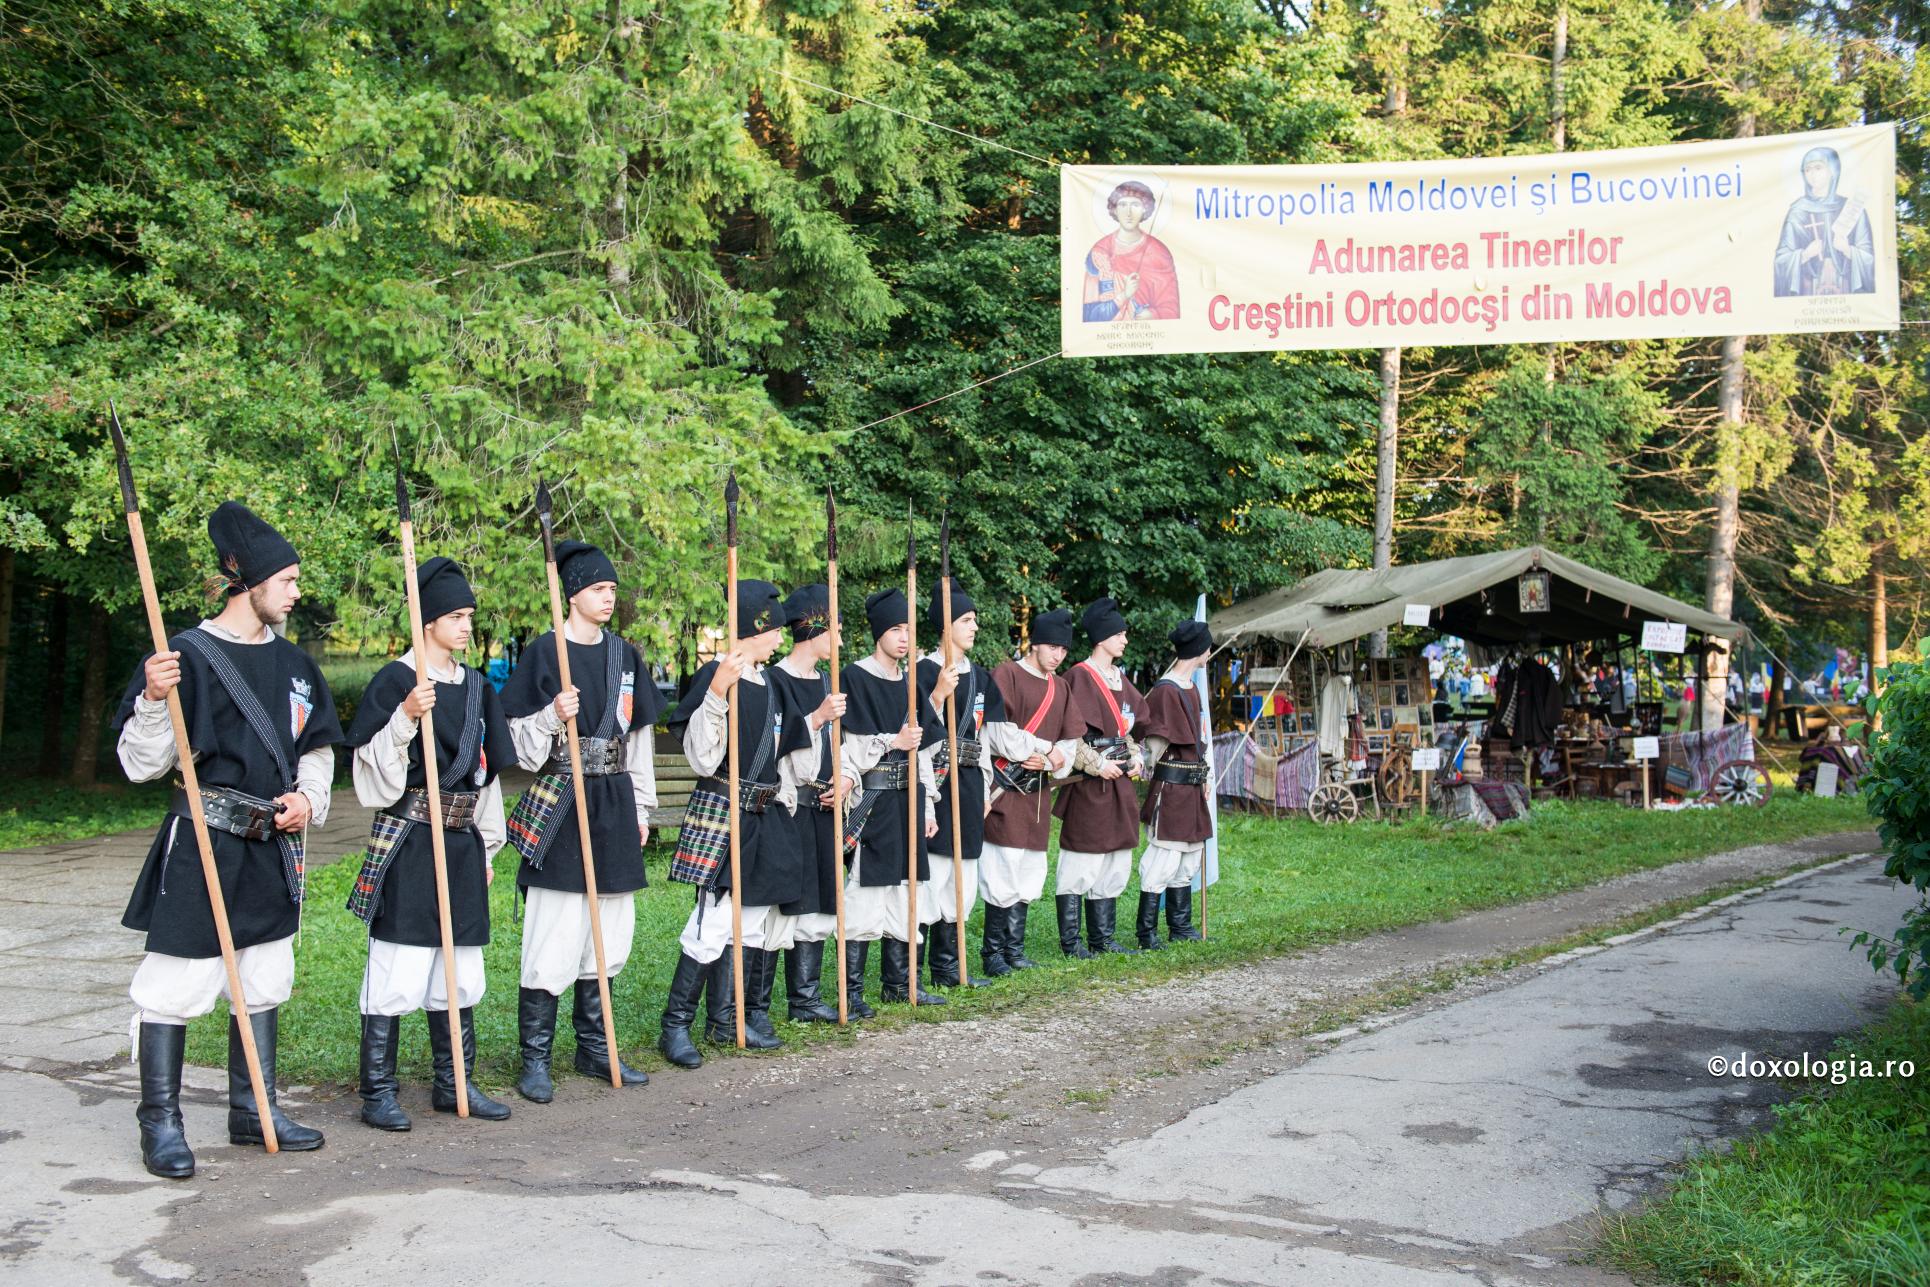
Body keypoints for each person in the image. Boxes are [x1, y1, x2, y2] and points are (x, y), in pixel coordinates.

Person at [114, 502, 342, 1178]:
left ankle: (255, 1109)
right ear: (252, 581)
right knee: (176, 983)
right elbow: (139, 763)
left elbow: (320, 748)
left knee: (265, 978)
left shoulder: (299, 666)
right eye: (290, 580)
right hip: (202, 843)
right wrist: (154, 700)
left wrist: (308, 797)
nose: (298, 592)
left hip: (269, 842)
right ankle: (160, 1121)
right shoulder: (182, 655)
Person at [344, 557, 515, 1128]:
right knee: (398, 965)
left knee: (459, 968)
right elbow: (370, 775)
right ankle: (378, 1092)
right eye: (456, 616)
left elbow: (485, 776)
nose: (466, 626)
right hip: (412, 839)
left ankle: (455, 1083)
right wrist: (404, 717)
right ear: (428, 621)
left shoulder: (473, 686)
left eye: (469, 615)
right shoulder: (396, 681)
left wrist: (487, 848)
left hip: (462, 842)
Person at [499, 540, 663, 1101]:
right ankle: (535, 1059)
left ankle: (595, 1048)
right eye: (599, 588)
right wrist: (552, 714)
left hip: (615, 801)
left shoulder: (626, 656)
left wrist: (642, 807)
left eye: (613, 589)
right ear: (572, 595)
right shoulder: (546, 655)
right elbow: (516, 745)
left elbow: (638, 739)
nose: (608, 598)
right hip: (563, 800)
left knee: (609, 931)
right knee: (556, 928)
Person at [658, 580, 813, 1066]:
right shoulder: (715, 674)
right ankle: (675, 1026)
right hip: (724, 815)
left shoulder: (769, 683)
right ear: (756, 626)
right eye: (776, 629)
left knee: (746, 926)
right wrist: (719, 690)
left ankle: (727, 1019)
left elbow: (783, 755)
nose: (782, 638)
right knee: (711, 924)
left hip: (763, 818)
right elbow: (703, 757)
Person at [917, 577, 1046, 989]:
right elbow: (913, 731)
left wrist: (1052, 750)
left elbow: (993, 735)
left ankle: (951, 968)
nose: (974, 627)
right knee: (934, 875)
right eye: (967, 620)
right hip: (935, 783)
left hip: (971, 784)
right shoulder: (921, 673)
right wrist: (937, 695)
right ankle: (915, 975)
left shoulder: (981, 677)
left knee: (963, 878)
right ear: (946, 625)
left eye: (975, 620)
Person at [836, 588, 947, 1011]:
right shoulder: (854, 677)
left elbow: (921, 752)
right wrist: (891, 741)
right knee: (867, 888)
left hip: (909, 799)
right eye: (897, 629)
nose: (905, 638)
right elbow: (849, 746)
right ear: (879, 632)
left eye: (910, 630)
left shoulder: (912, 682)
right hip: (873, 799)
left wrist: (928, 805)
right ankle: (854, 991)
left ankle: (901, 984)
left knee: (906, 887)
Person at [979, 609, 1081, 975]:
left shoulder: (1062, 686)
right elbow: (998, 732)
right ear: (1035, 643)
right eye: (1052, 647)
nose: (1058, 655)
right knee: (1002, 869)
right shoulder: (1006, 674)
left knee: (1029, 872)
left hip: (1037, 794)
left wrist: (1054, 759)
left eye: (1064, 650)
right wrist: (1043, 750)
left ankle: (1014, 949)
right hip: (1006, 789)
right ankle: (992, 954)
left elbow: (1070, 743)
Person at [766, 585, 847, 1023]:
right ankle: (759, 1006)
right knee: (787, 905)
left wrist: (847, 779)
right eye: (834, 628)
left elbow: (845, 746)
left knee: (821, 902)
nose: (840, 639)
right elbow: (772, 746)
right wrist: (816, 717)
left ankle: (806, 999)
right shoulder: (774, 682)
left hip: (827, 808)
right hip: (789, 807)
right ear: (814, 628)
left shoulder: (831, 681)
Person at [1053, 598, 1146, 957]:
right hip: (1090, 783)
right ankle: (1072, 941)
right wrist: (1095, 764)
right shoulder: (1078, 676)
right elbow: (1069, 734)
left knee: (1116, 859)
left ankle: (1102, 939)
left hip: (1120, 781)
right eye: (1119, 634)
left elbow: (1127, 731)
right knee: (1083, 858)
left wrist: (1135, 757)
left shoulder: (1120, 679)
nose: (1124, 640)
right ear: (1102, 636)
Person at [1132, 620, 1214, 949]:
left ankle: (1180, 926)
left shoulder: (1191, 688)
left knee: (1191, 855)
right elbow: (1153, 744)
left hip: (1192, 786)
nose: (1210, 651)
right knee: (1163, 859)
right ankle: (1146, 933)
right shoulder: (1167, 691)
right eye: (1207, 646)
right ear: (1199, 650)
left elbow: (1197, 742)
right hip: (1172, 787)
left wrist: (1204, 775)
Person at [1774, 145, 1876, 297]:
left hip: (1845, 289)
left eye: (1818, 168)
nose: (1812, 174)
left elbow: (1869, 258)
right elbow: (1781, 260)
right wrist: (1805, 255)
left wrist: (1847, 250)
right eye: (1807, 170)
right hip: (1807, 289)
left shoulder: (1853, 210)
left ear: (1832, 170)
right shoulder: (1797, 211)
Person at [1082, 179, 1181, 321]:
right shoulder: (1100, 253)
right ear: (1114, 209)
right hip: (1110, 340)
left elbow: (1171, 308)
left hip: (1151, 335)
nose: (1128, 212)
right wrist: (1125, 295)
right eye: (1123, 205)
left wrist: (1153, 315)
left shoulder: (1159, 251)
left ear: (1144, 209)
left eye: (1135, 205)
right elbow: (1090, 314)